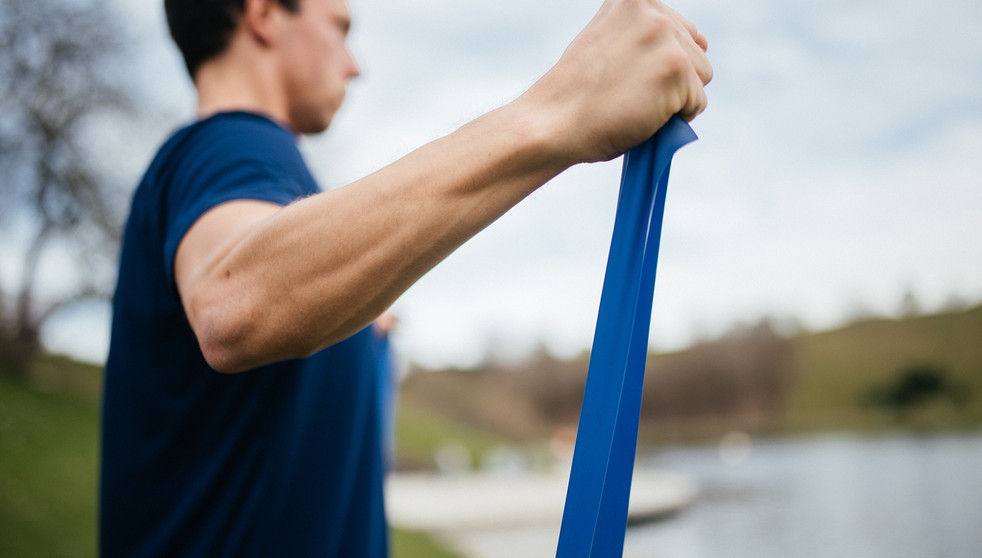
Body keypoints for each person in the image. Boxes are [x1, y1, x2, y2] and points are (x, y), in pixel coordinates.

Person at [98, 0, 712, 556]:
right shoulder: (231, 145)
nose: (355, 65)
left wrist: (360, 324)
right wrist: (559, 111)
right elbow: (235, 302)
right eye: (339, 28)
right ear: (263, 15)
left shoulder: (247, 180)